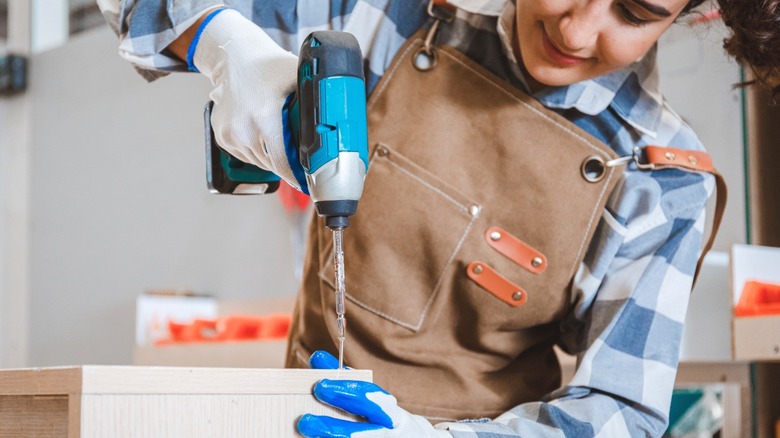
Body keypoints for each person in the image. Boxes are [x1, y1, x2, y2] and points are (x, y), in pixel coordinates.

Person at [97, 0, 779, 436]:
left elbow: (619, 416)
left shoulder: (662, 178)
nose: (576, 29)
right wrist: (217, 42)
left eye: (633, 12)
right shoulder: (386, 18)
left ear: (692, 14)